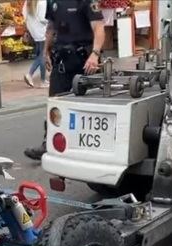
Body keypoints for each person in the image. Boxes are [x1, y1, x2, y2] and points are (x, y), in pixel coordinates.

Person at [24, 0, 105, 160]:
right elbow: (51, 27)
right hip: (62, 60)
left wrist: (95, 54)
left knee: (86, 106)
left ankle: (87, 145)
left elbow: (99, 27)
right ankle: (48, 143)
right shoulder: (53, 1)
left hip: (84, 60)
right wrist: (46, 51)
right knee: (55, 103)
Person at [23, 0, 49, 88]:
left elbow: (24, 15)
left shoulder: (27, 2)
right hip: (42, 32)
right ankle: (31, 75)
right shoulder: (42, 2)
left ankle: (43, 80)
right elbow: (43, 18)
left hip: (34, 32)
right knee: (42, 56)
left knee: (40, 55)